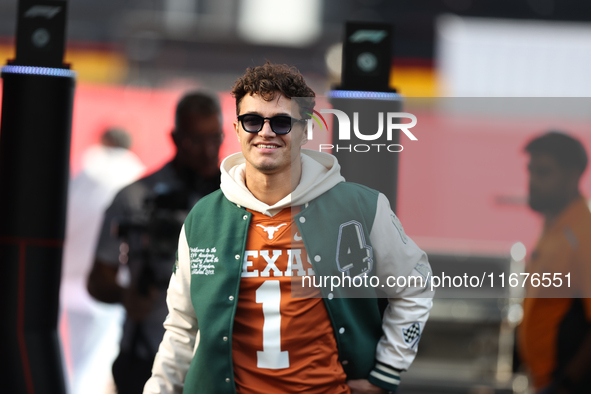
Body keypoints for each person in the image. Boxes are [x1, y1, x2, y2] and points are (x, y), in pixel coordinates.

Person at [144, 63, 433, 394]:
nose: (265, 132)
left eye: (281, 122)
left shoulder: (363, 207)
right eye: (252, 120)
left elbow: (415, 287)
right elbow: (182, 327)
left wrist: (386, 373)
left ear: (306, 130)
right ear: (237, 128)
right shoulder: (204, 217)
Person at [87, 92, 224, 394]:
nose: (207, 151)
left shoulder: (238, 198)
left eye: (215, 139)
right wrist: (127, 297)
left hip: (219, 359)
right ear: (175, 138)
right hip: (147, 353)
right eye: (194, 141)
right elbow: (98, 280)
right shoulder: (134, 197)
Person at [519, 131, 591, 394]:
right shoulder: (555, 227)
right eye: (531, 171)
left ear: (572, 176)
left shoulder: (584, 233)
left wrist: (567, 383)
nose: (532, 181)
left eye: (544, 172)